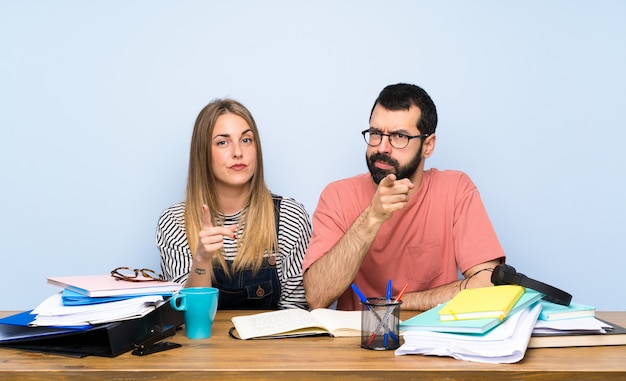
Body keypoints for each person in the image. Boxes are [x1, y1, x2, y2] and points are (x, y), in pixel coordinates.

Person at [302, 83, 505, 311]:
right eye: (376, 134)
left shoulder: (456, 189)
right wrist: (372, 217)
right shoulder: (337, 196)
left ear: (428, 146)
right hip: (358, 341)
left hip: (433, 339)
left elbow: (487, 285)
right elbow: (316, 297)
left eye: (399, 136)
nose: (383, 147)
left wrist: (393, 305)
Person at [157, 98, 311, 310]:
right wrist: (201, 260)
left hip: (271, 343)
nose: (238, 152)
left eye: (246, 140)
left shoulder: (289, 217)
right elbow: (186, 317)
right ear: (203, 154)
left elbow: (297, 312)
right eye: (223, 142)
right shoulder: (174, 222)